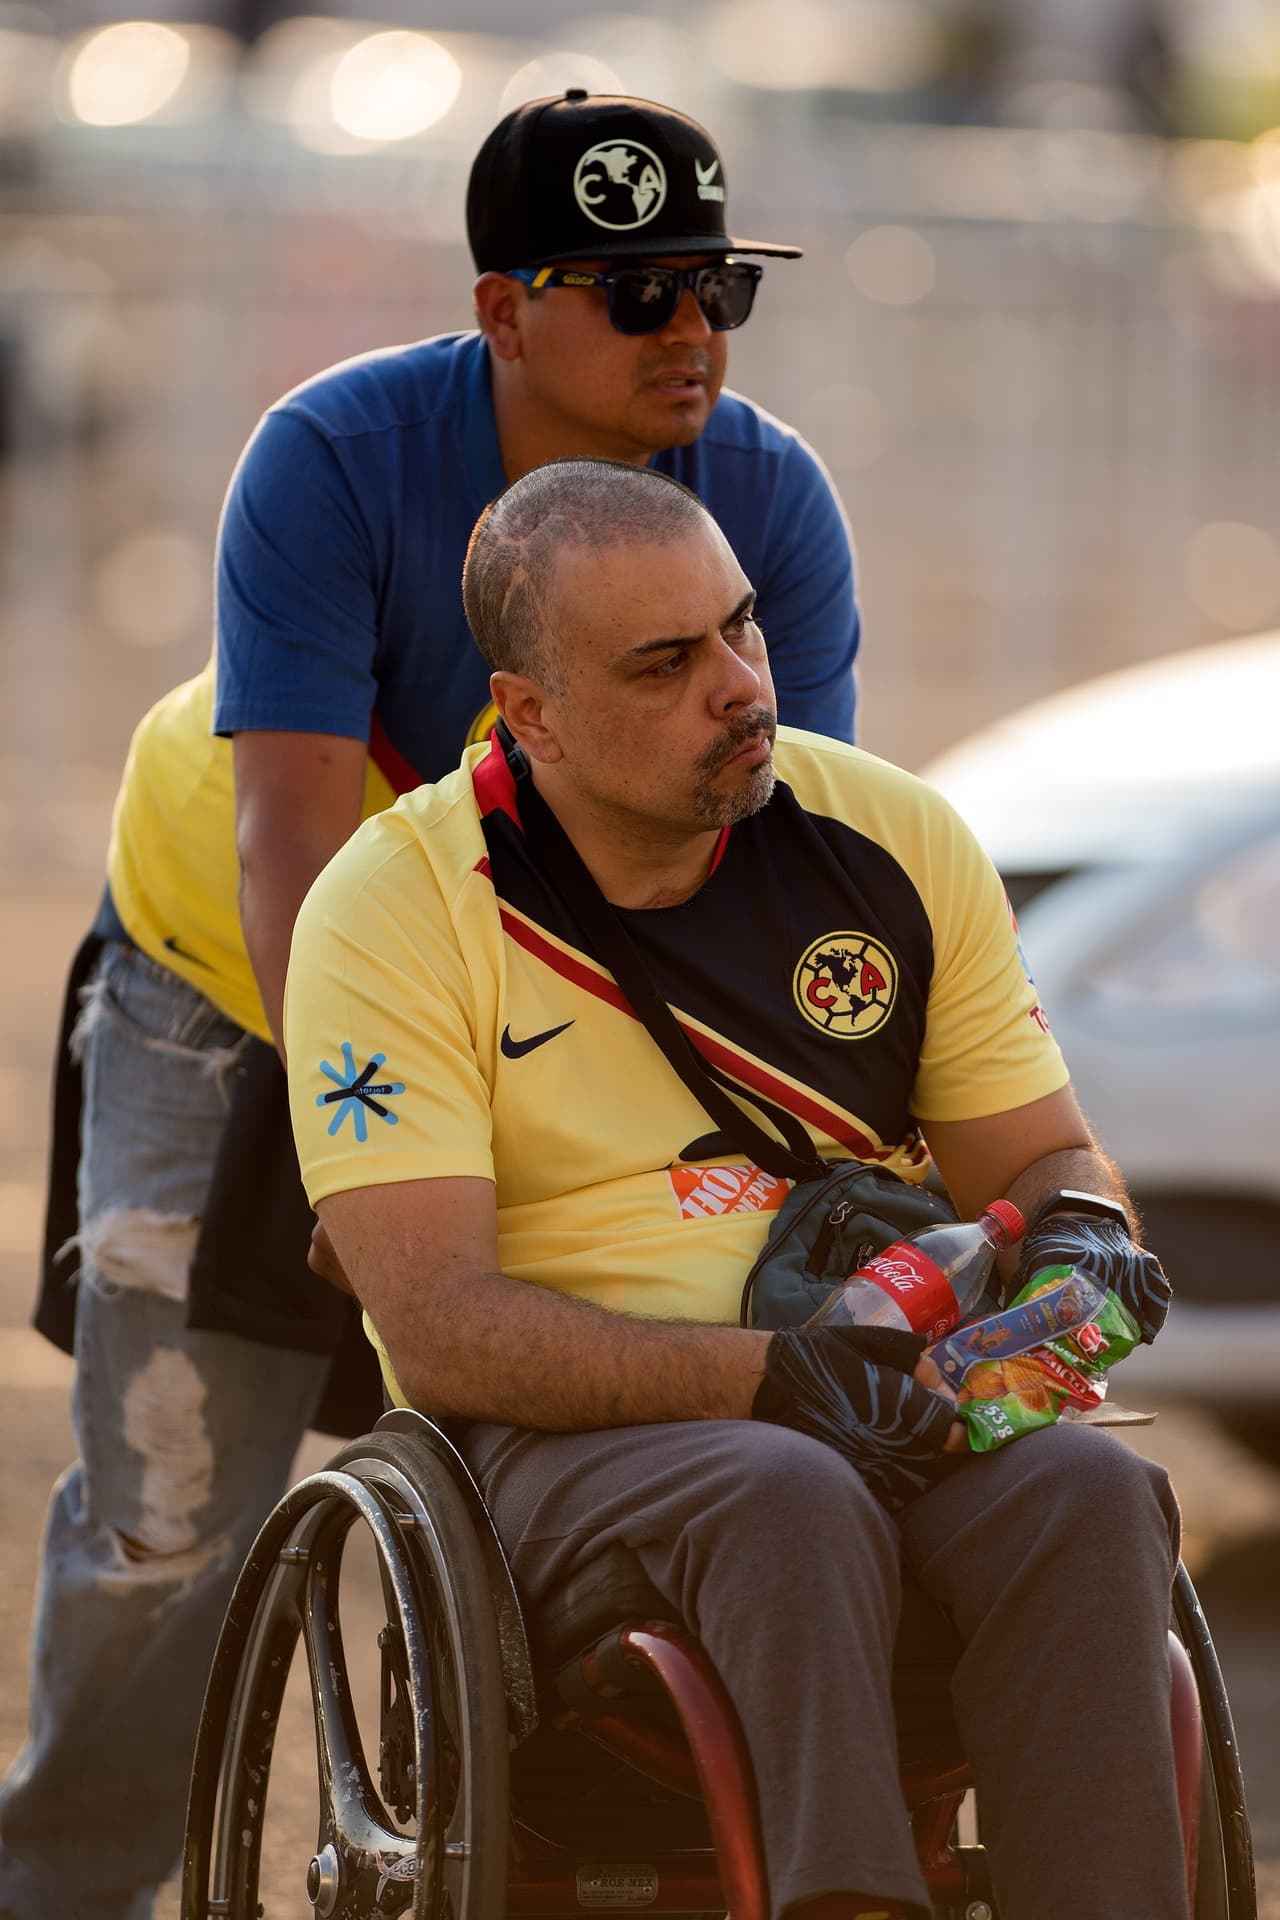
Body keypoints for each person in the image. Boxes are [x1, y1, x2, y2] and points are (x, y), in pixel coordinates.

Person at [0, 93, 862, 1920]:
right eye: (635, 297)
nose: (692, 328)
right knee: (171, 1523)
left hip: (547, 988)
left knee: (569, 1455)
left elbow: (785, 867)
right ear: (500, 311)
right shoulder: (331, 457)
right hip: (236, 978)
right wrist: (368, 1161)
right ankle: (67, 1890)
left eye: (718, 286)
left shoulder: (768, 500)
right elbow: (301, 856)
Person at [285, 459, 1181, 1920]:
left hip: (890, 1396)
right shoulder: (393, 911)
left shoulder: (893, 837)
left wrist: (1084, 1227)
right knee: (783, 1488)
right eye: (666, 663)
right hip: (560, 1458)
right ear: (532, 714)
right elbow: (439, 1328)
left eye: (741, 629)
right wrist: (777, 1382)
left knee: (1090, 1485)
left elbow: (1040, 1159)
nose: (742, 686)